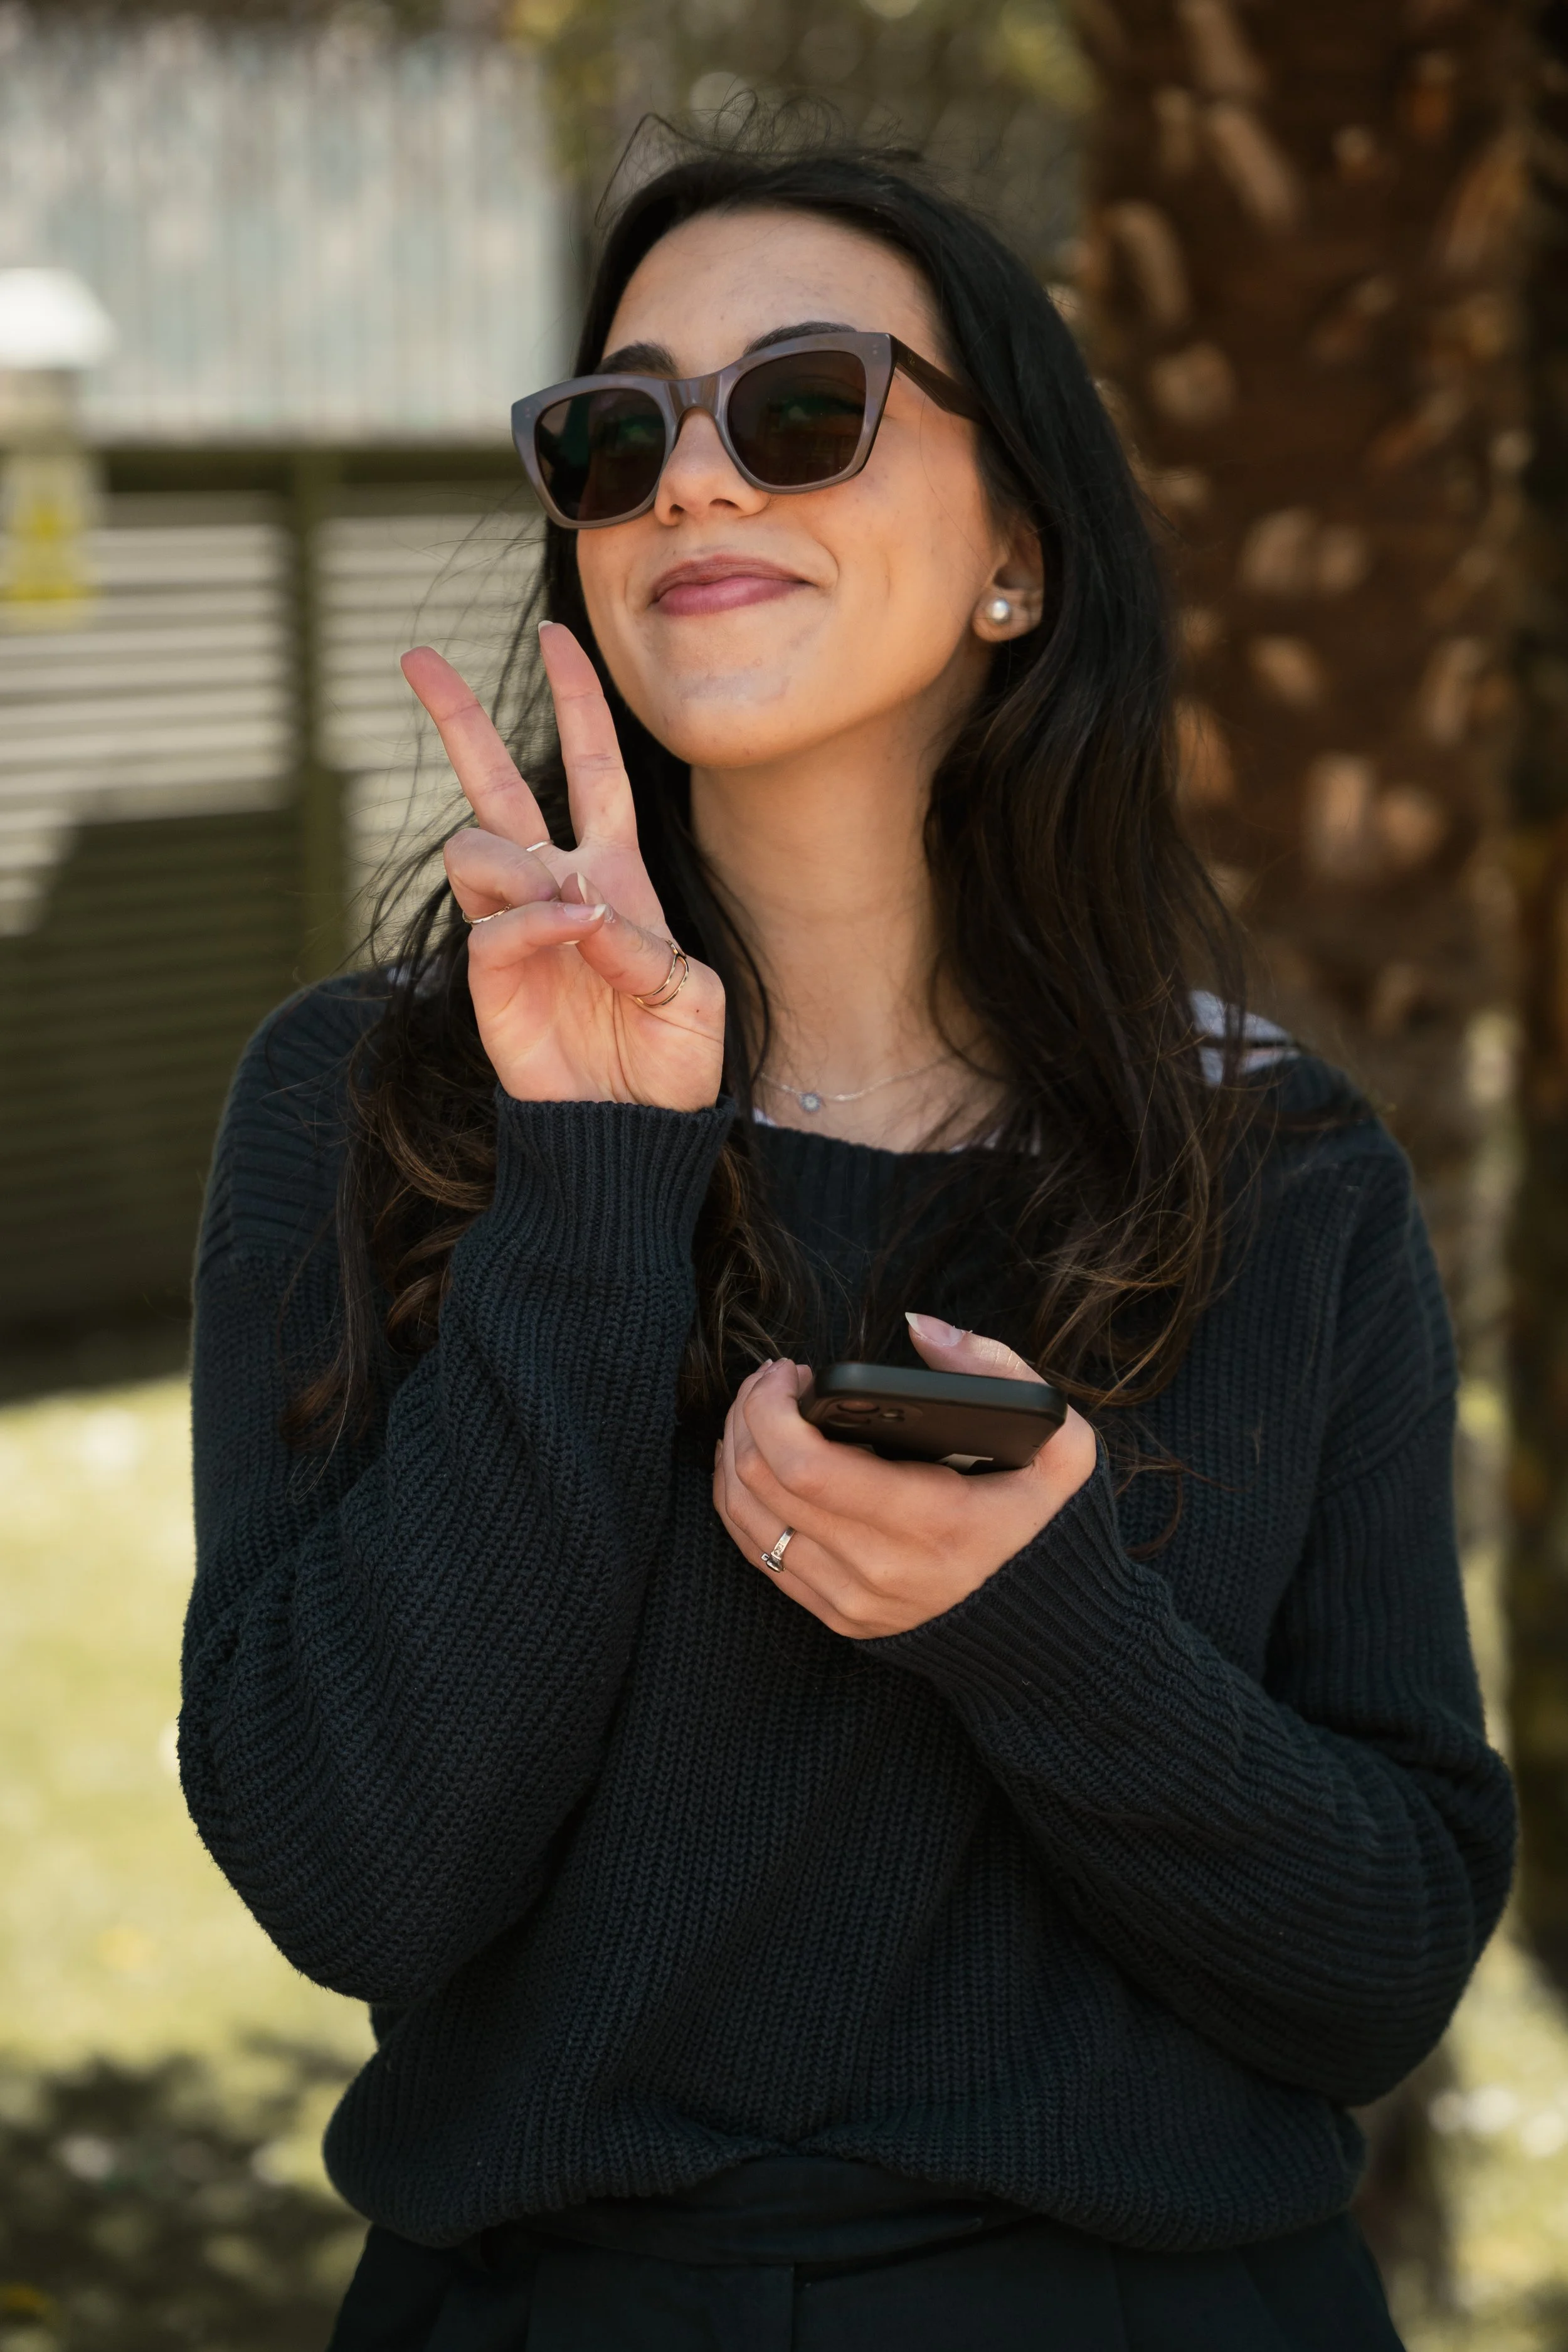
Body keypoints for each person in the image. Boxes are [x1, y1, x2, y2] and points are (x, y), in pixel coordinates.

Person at [180, 134, 1515, 2352]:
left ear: (1017, 553)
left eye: (804, 405)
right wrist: (592, 1170)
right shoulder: (373, 1102)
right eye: (617, 435)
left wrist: (1047, 1630)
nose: (693, 479)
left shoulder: (1280, 1171)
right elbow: (351, 1877)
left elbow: (1373, 1971)